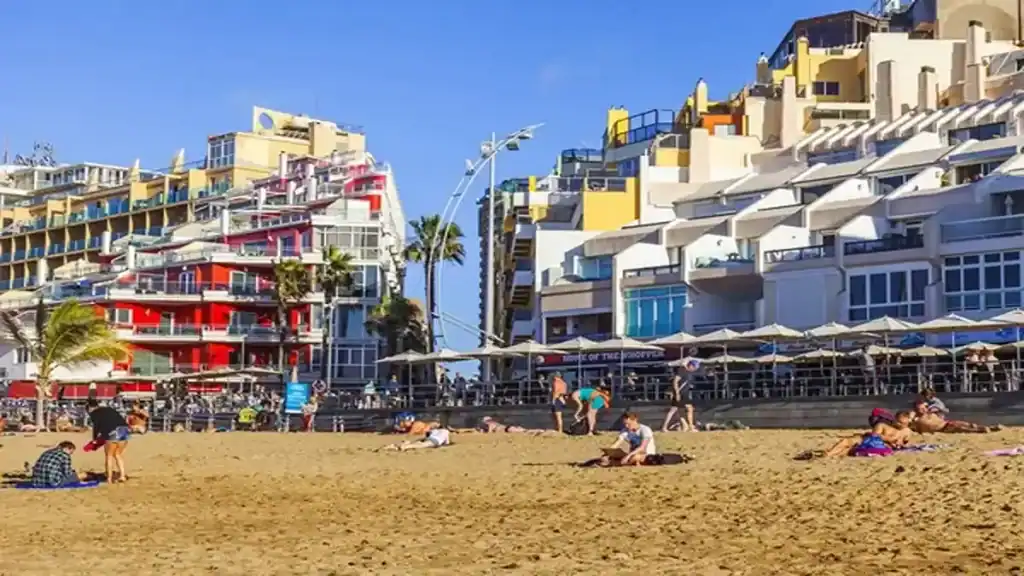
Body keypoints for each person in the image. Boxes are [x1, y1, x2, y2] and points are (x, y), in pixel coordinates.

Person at [820, 410, 914, 458]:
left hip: (881, 446)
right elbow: (874, 436)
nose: (900, 424)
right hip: (867, 440)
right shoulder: (883, 425)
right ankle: (829, 453)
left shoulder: (907, 431)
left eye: (903, 423)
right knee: (846, 441)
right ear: (895, 419)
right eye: (899, 422)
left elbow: (904, 444)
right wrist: (889, 439)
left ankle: (833, 455)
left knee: (851, 450)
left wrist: (898, 444)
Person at [87, 399, 130, 483]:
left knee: (109, 456)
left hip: (112, 433)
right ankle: (122, 476)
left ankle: (109, 478)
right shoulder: (109, 409)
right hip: (124, 431)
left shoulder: (94, 414)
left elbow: (96, 427)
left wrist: (94, 439)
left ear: (89, 407)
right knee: (117, 454)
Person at [910, 400, 1000, 433]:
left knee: (967, 424)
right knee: (962, 428)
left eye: (924, 407)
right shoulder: (916, 418)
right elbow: (909, 420)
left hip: (947, 423)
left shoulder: (930, 412)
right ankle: (980, 431)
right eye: (921, 408)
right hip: (943, 429)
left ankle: (990, 428)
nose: (923, 409)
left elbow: (946, 410)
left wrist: (939, 410)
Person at [662, 367, 696, 432]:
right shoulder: (682, 371)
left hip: (683, 394)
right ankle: (690, 427)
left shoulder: (688, 373)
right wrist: (677, 393)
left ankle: (686, 426)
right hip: (680, 394)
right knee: (674, 410)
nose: (695, 368)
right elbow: (675, 382)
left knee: (680, 410)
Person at [381, 426, 451, 451]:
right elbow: (447, 442)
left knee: (418, 443)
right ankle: (406, 446)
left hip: (430, 438)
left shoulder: (436, 430)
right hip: (435, 440)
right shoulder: (446, 432)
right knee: (419, 446)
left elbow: (428, 434)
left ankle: (393, 446)